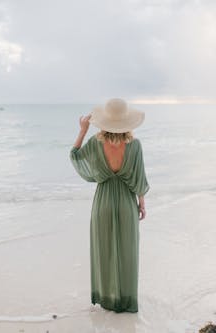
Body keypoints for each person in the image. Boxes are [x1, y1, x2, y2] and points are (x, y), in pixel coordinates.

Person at [70, 98, 150, 313]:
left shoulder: (95, 144)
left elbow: (75, 156)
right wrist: (141, 204)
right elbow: (139, 179)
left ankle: (106, 299)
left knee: (103, 250)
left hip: (102, 204)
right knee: (128, 252)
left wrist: (83, 130)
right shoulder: (135, 146)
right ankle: (126, 300)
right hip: (126, 203)